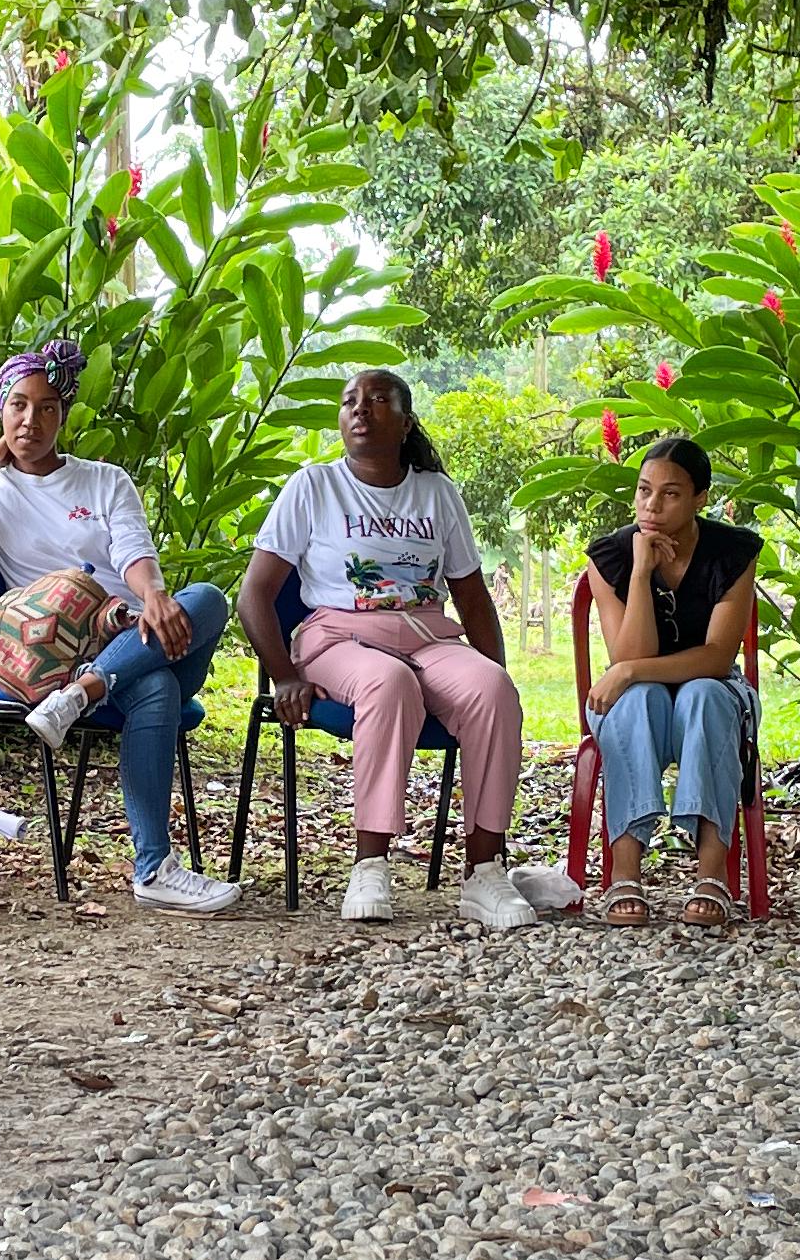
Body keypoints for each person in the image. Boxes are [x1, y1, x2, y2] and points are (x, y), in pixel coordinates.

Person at [240, 370, 574, 928]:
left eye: (376, 401)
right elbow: (255, 594)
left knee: (492, 691)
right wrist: (283, 675)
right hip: (337, 636)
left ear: (406, 421)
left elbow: (470, 593)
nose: (359, 411)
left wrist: (489, 673)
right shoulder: (314, 486)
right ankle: (370, 863)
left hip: (424, 633)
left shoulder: (436, 492)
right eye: (350, 403)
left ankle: (484, 874)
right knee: (387, 683)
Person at [0, 338, 241, 913]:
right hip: (54, 648)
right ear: (2, 410)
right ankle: (153, 869)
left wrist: (157, 597)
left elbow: (134, 554)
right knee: (157, 685)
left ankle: (87, 692)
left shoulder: (104, 480)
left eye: (47, 408)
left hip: (129, 630)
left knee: (209, 599)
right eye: (19, 404)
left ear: (63, 416)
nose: (32, 420)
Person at [583, 435, 761, 925]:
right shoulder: (611, 558)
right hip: (637, 702)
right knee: (637, 702)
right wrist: (641, 575)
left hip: (713, 695)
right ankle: (625, 870)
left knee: (702, 696)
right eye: (644, 491)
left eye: (671, 493)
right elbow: (629, 651)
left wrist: (629, 671)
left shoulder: (734, 552)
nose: (652, 505)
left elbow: (717, 658)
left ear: (700, 498)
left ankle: (712, 873)